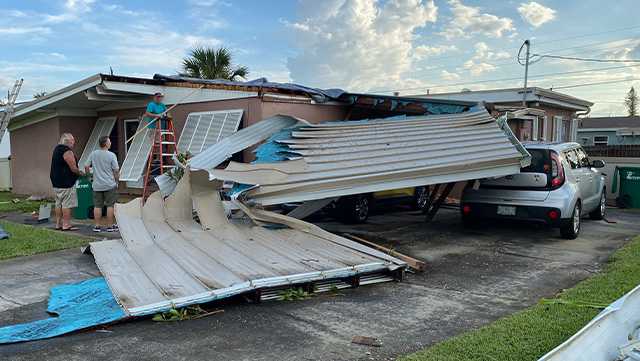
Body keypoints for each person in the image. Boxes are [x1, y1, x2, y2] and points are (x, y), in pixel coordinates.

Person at [85, 136, 120, 233]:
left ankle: (97, 226)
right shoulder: (112, 155)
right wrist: (117, 181)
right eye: (109, 141)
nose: (111, 143)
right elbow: (116, 170)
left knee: (97, 206)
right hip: (109, 185)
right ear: (105, 143)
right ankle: (110, 226)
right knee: (110, 206)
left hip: (97, 185)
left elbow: (86, 166)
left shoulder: (93, 154)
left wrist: (89, 177)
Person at [50, 133, 82, 231]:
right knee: (66, 204)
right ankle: (66, 224)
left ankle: (58, 224)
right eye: (73, 140)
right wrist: (80, 173)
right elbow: (73, 168)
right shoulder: (67, 151)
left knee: (58, 203)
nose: (74, 142)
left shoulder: (57, 149)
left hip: (56, 181)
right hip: (66, 181)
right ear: (68, 141)